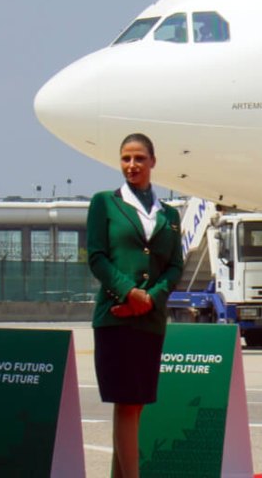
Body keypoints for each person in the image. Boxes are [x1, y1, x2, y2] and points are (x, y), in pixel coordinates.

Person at [86, 133, 183, 478]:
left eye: (139, 158)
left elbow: (175, 266)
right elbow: (97, 257)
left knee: (136, 404)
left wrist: (150, 298)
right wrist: (129, 292)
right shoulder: (104, 203)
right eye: (126, 158)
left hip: (150, 320)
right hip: (116, 318)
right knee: (126, 403)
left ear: (152, 162)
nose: (132, 165)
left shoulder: (169, 214)